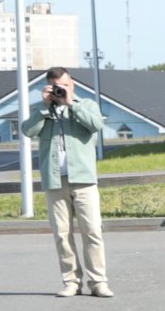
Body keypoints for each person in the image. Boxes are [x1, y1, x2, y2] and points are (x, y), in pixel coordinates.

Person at [25, 66, 112, 298]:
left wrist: (71, 103)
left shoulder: (86, 105)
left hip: (83, 178)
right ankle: (71, 281)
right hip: (55, 180)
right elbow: (28, 130)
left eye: (63, 85)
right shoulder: (43, 110)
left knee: (92, 231)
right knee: (62, 234)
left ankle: (98, 282)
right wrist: (44, 107)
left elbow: (96, 125)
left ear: (71, 83)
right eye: (56, 86)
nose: (60, 90)